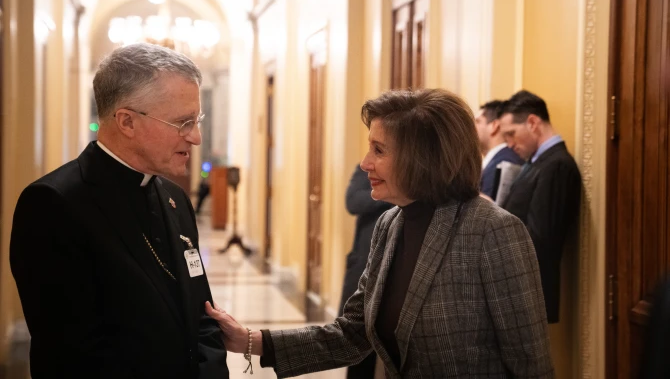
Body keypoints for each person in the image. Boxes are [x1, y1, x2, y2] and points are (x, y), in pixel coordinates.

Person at [205, 89, 554, 378]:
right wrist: (250, 340)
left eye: (379, 150)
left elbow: (531, 364)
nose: (365, 163)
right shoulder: (390, 225)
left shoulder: (493, 231)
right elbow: (354, 333)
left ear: (422, 159)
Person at [10, 43, 229, 378]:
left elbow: (204, 317)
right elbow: (71, 354)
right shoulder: (54, 204)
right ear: (127, 121)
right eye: (183, 123)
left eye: (196, 120)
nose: (196, 137)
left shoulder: (175, 198)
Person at [498, 90, 582, 324]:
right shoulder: (539, 163)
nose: (509, 144)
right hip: (518, 289)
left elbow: (540, 239)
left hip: (528, 292)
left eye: (511, 134)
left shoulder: (556, 165)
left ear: (533, 123)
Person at [340, 165, 392, 378]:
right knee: (358, 342)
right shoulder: (368, 169)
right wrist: (388, 194)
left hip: (396, 269)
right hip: (365, 264)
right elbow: (352, 201)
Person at [474, 100, 524, 198]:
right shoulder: (498, 160)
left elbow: (491, 206)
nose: (471, 127)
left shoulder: (504, 162)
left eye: (477, 122)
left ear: (494, 126)